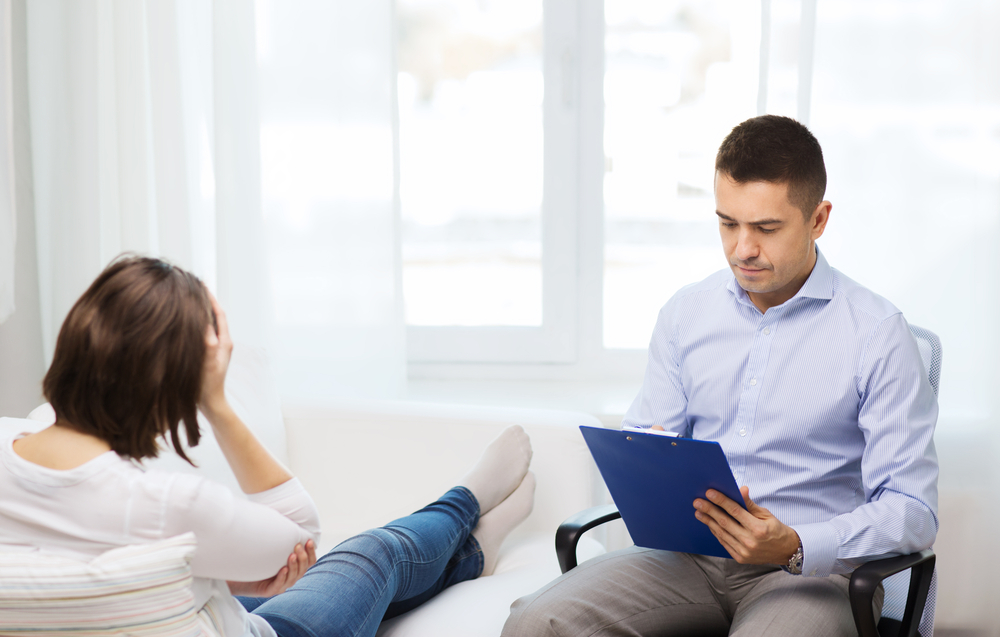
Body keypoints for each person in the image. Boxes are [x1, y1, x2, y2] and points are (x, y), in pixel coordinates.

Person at [501, 114, 938, 636]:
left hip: (808, 576)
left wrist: (797, 543)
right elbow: (649, 432)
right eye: (728, 223)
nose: (742, 248)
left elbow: (913, 511)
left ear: (818, 219)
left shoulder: (876, 333)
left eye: (766, 228)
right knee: (535, 621)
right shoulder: (687, 314)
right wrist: (645, 455)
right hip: (686, 562)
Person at [0, 255, 536, 637]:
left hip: (182, 607)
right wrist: (216, 401)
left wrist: (215, 575)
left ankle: (471, 551)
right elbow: (300, 537)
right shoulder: (169, 507)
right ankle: (465, 504)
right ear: (174, 388)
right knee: (369, 555)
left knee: (340, 574)